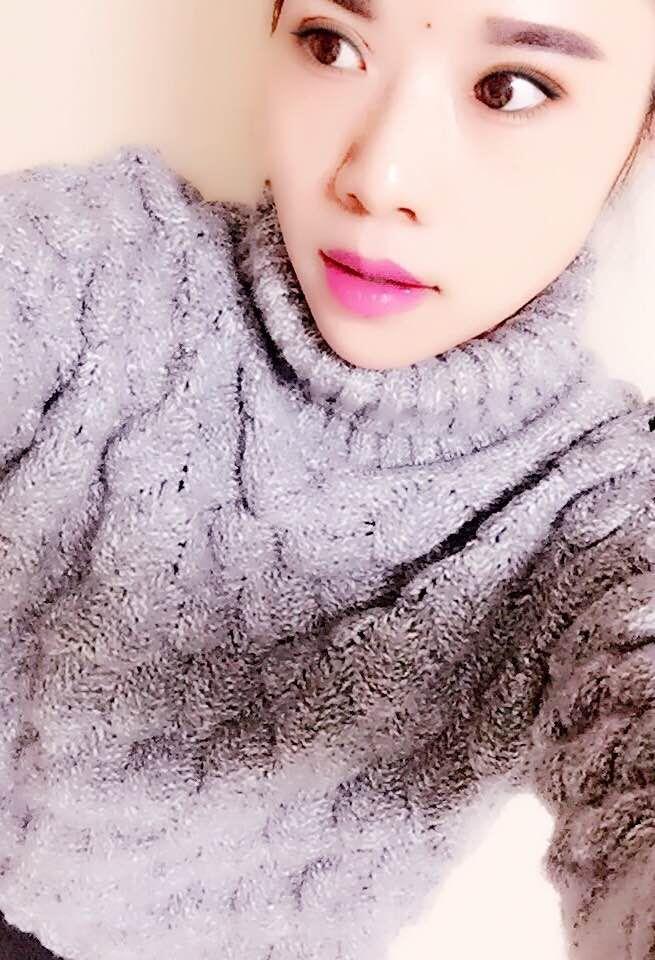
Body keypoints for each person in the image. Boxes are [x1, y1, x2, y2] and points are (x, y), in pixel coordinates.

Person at [0, 2, 654, 959]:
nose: (376, 179)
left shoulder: (598, 510)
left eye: (510, 88)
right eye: (330, 44)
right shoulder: (93, 269)